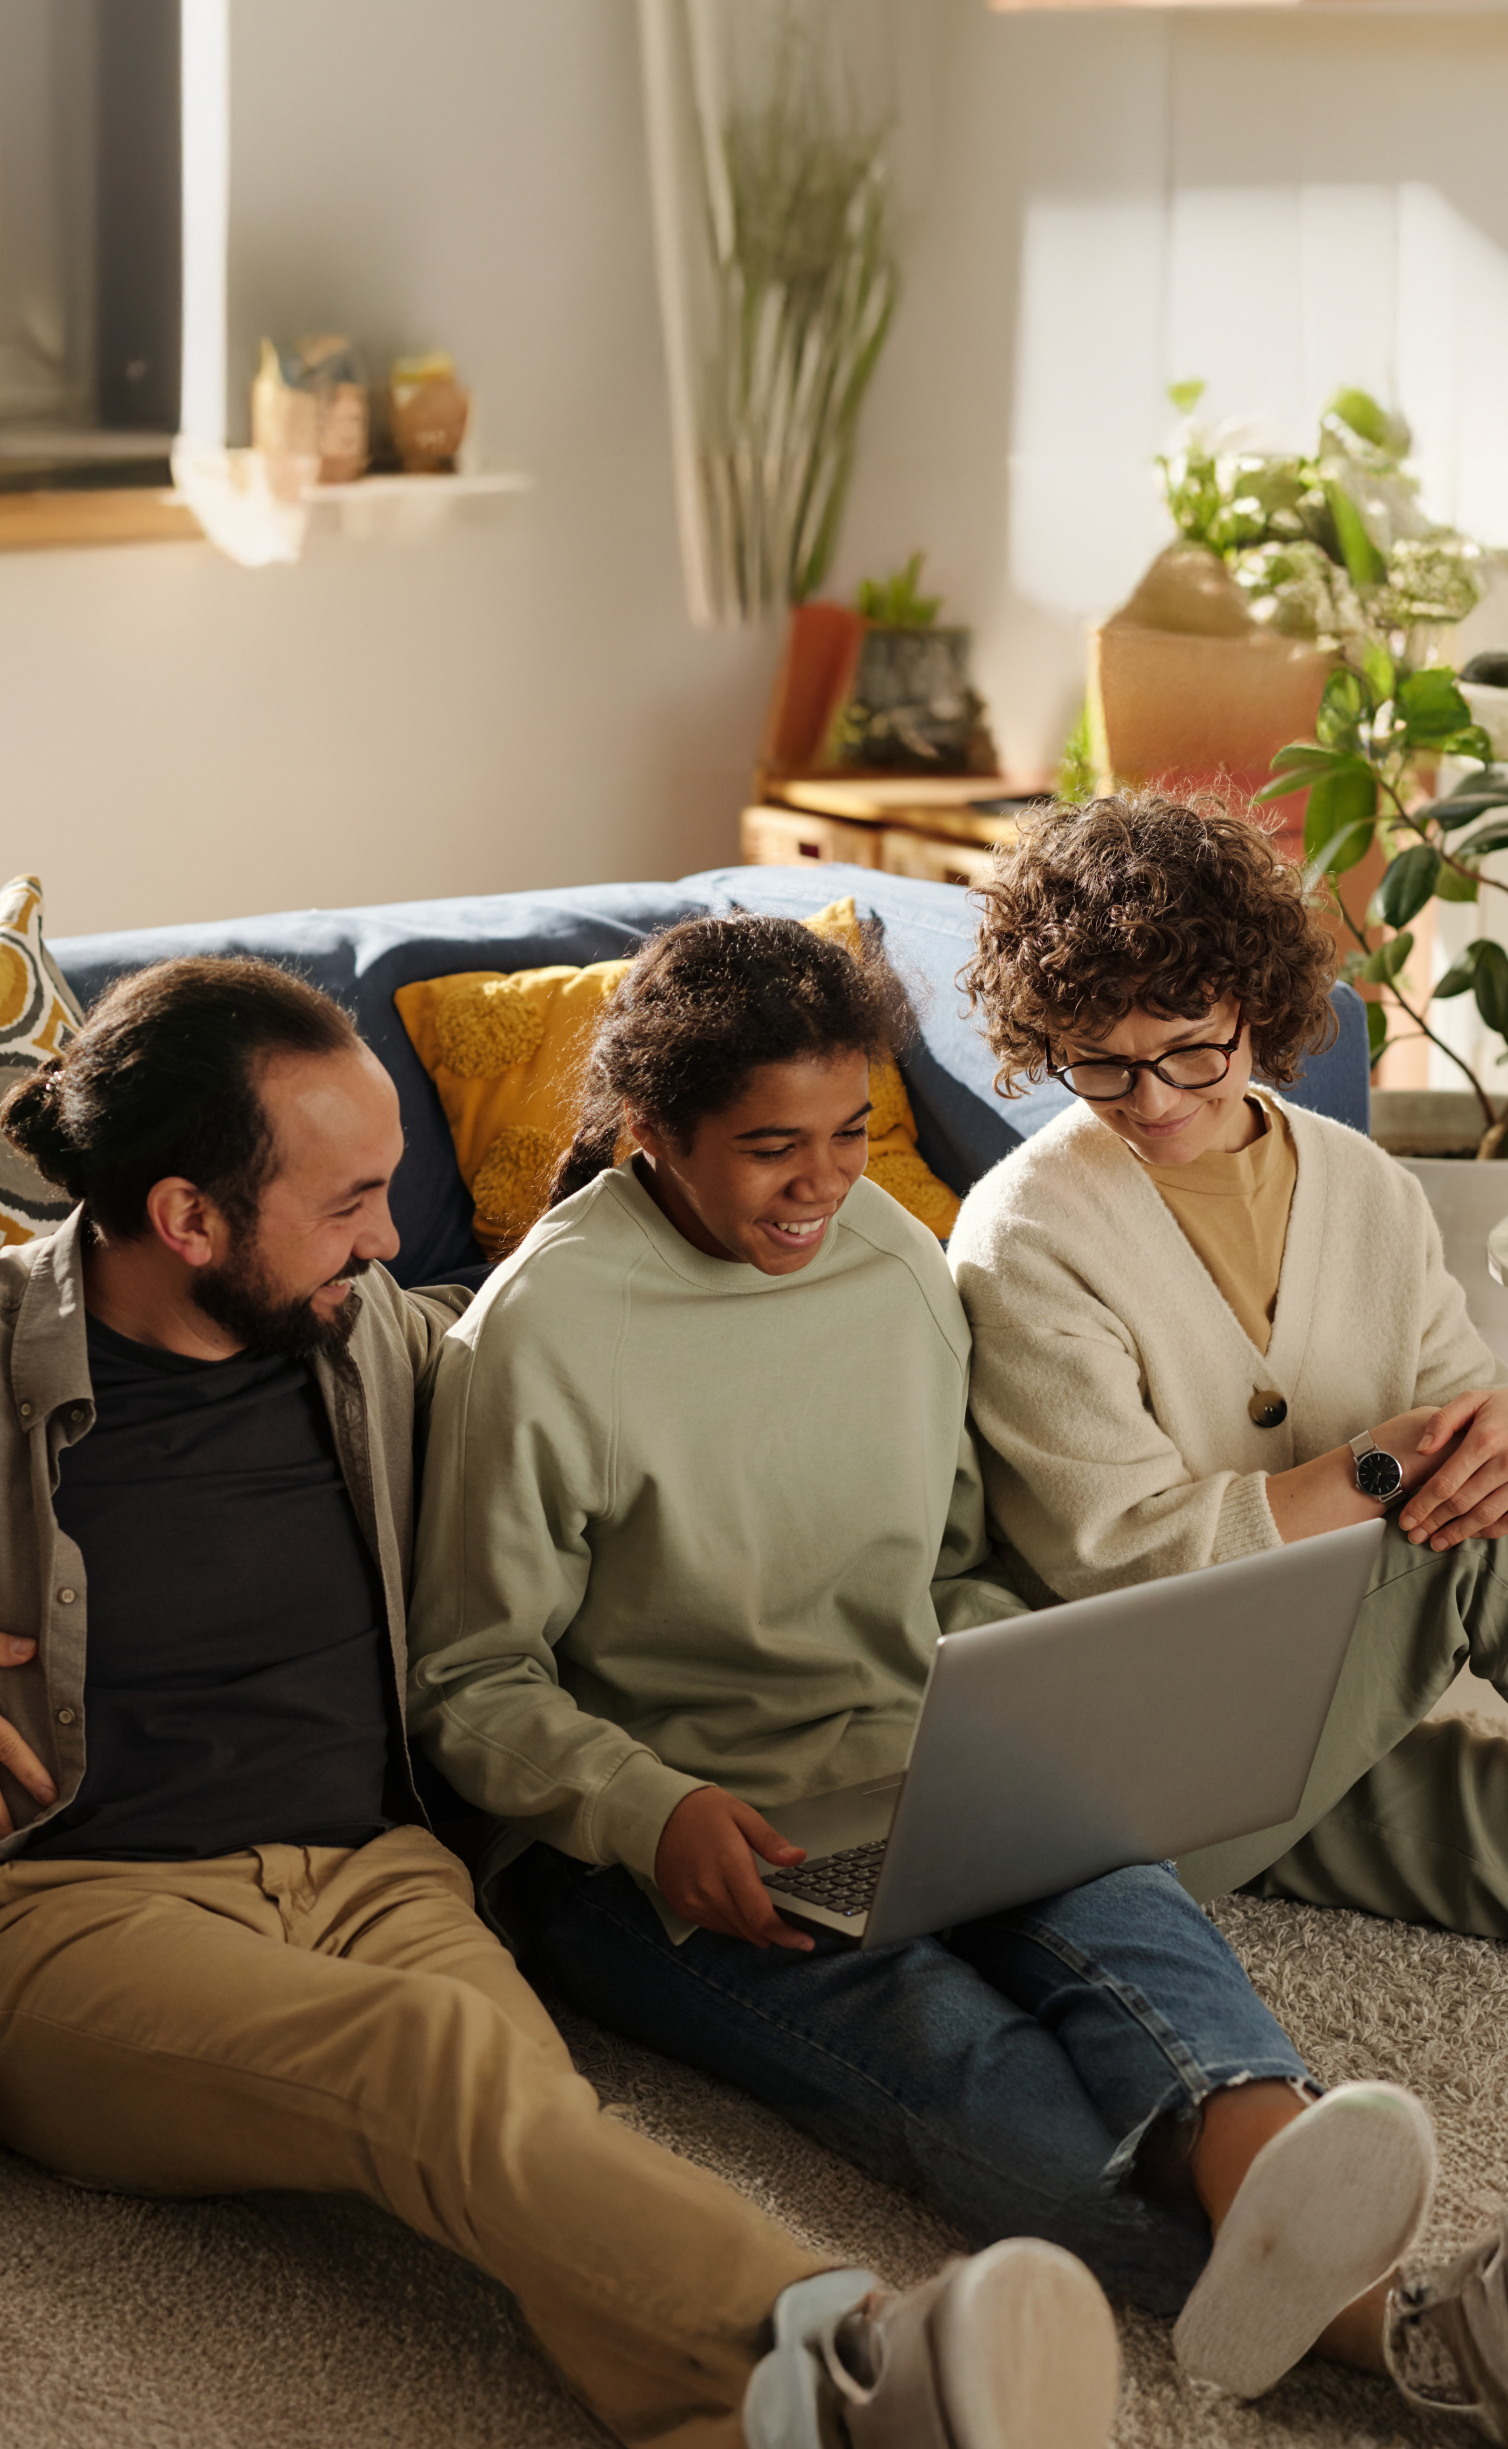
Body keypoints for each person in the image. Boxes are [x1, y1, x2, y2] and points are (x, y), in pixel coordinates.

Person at [0, 953, 1117, 2449]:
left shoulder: (377, 1344)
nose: (389, 1239)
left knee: (526, 2141)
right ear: (187, 1217)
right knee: (435, 2065)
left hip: (377, 1877)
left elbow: (601, 1372)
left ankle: (776, 2424)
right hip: (66, 1909)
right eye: (345, 1206)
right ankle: (855, 2334)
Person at [406, 910, 1505, 2432]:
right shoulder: (539, 1337)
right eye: (768, 1148)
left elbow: (955, 1565)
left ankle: (1273, 2146)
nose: (822, 1183)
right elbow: (471, 1676)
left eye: (851, 1132)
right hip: (670, 1847)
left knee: (1139, 1932)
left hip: (919, 1749)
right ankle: (1398, 2330)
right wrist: (647, 1809)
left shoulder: (892, 1262)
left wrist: (1032, 1705)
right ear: (650, 1134)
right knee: (956, 2061)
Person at [949, 788, 1508, 1948]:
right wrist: (1372, 1474)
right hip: (1138, 1736)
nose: (1149, 1101)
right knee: (1474, 1539)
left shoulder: (1364, 1187)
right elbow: (1121, 1557)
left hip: (1321, 1706)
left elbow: (1463, 1417)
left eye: (1188, 1053)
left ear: (1256, 1008)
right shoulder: (1025, 1234)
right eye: (1097, 1066)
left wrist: (1481, 1433)